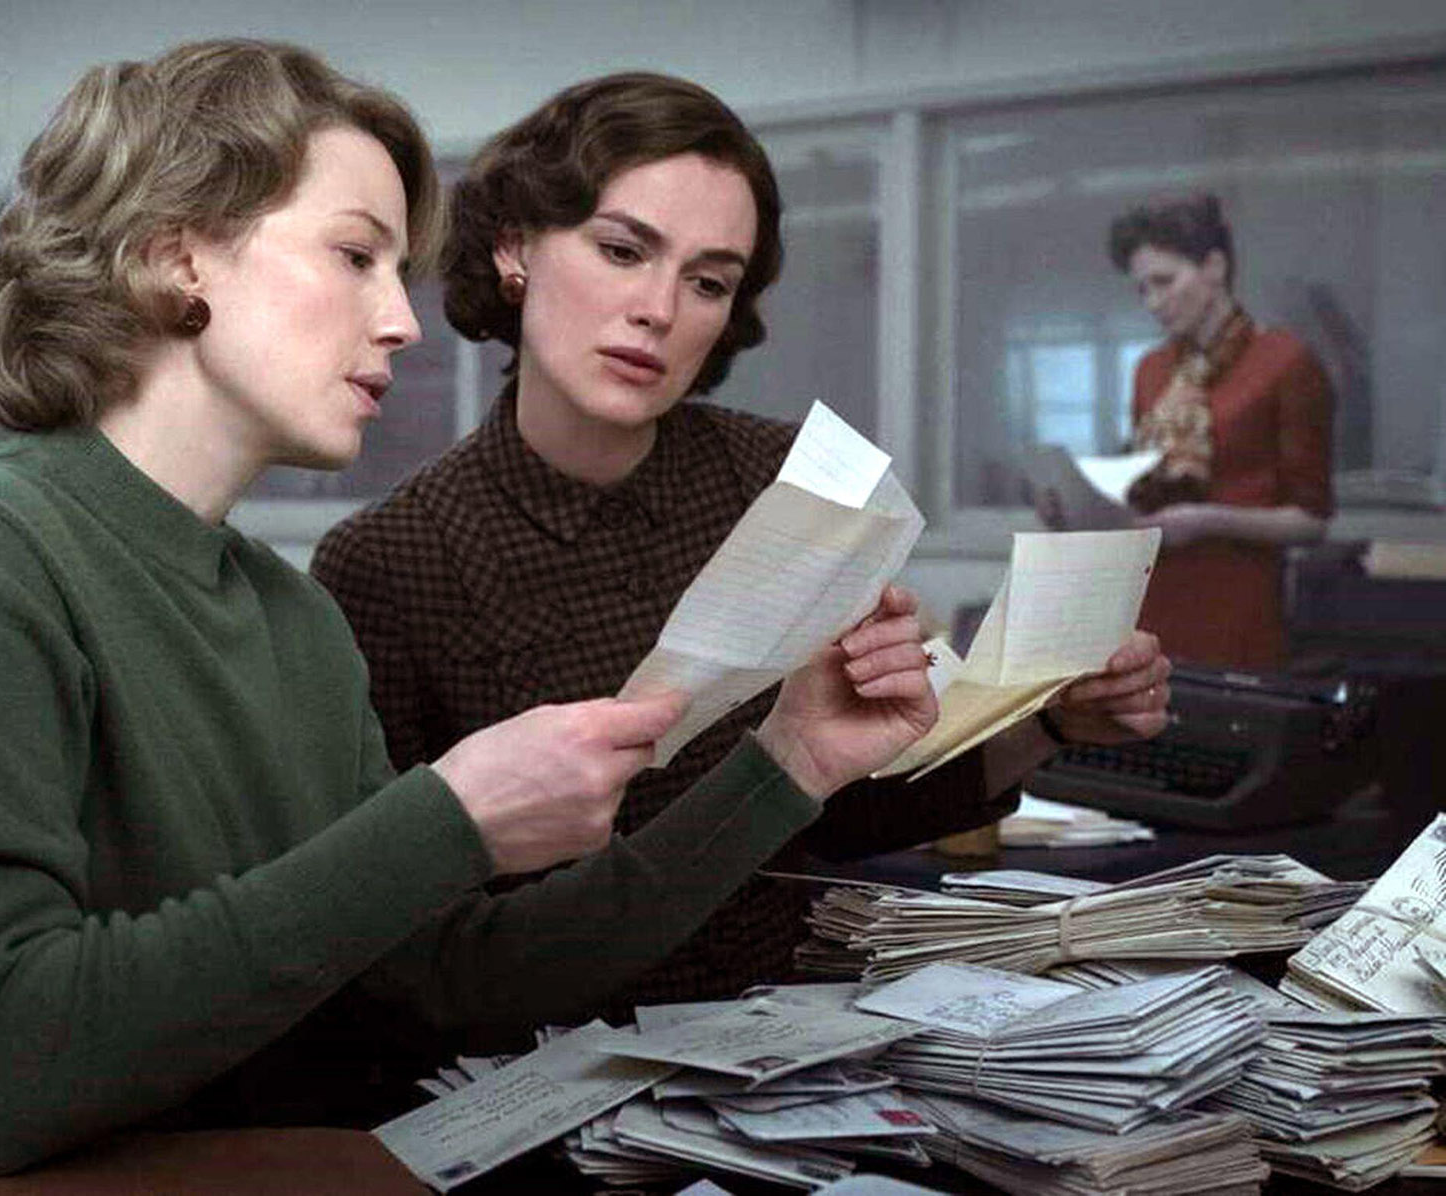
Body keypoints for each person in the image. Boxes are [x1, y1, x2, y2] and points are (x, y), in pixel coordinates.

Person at [0, 42, 948, 1193]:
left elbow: (449, 974)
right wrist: (446, 817)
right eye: (355, 255)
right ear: (177, 258)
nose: (405, 321)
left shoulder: (290, 615)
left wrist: (784, 761)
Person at [313, 72, 1171, 1014]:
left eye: (708, 281)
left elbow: (839, 812)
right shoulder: (390, 561)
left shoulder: (785, 480)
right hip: (539, 1049)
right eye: (622, 250)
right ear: (515, 249)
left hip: (790, 1030)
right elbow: (404, 948)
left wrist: (1047, 722)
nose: (660, 309)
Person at [1104, 192, 1335, 671]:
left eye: (1165, 281)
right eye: (1142, 289)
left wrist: (1206, 520)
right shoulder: (1151, 370)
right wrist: (1086, 505)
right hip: (1151, 605)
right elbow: (1141, 487)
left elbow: (1312, 522)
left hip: (1237, 610)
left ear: (1214, 266)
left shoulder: (1285, 361)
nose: (1154, 302)